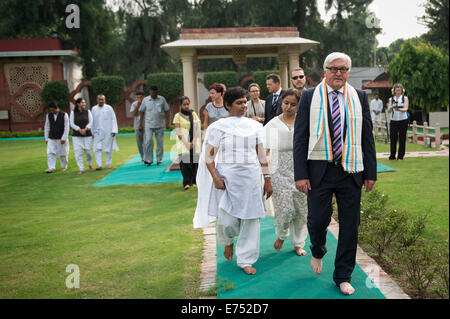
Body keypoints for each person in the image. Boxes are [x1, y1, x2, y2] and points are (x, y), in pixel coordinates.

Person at [293, 52, 377, 295]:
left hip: (351, 170)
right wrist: (300, 174)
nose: (338, 73)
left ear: (348, 72)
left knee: (350, 225)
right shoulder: (310, 96)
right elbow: (300, 136)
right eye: (333, 69)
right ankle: (318, 249)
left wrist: (370, 172)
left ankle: (343, 275)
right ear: (325, 71)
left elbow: (366, 136)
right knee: (317, 220)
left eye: (343, 69)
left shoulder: (358, 96)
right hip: (319, 170)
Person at [193, 87, 273, 275]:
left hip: (252, 179)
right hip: (228, 180)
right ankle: (228, 242)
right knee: (228, 220)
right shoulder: (218, 127)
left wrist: (267, 179)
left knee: (252, 220)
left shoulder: (255, 126)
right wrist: (215, 177)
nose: (244, 106)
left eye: (245, 102)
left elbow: (261, 155)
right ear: (228, 105)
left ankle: (246, 259)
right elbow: (209, 156)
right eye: (239, 102)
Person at [264, 89, 308, 256]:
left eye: (293, 104)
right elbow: (263, 149)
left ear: (298, 106)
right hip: (278, 169)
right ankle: (282, 235)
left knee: (301, 209)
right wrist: (265, 175)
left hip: (301, 169)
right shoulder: (273, 124)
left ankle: (298, 243)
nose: (288, 107)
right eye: (285, 103)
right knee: (285, 208)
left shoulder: (303, 122)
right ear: (281, 103)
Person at [173, 96, 201, 190]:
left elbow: (197, 128)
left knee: (194, 162)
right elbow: (178, 131)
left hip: (194, 141)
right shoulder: (177, 116)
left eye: (188, 104)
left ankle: (194, 181)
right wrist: (186, 143)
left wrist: (193, 141)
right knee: (185, 163)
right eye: (184, 104)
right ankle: (186, 182)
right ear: (180, 105)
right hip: (183, 142)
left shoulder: (193, 114)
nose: (186, 106)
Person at [139, 85, 170, 166]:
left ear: (157, 92)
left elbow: (167, 110)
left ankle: (159, 159)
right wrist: (140, 124)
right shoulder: (145, 100)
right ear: (150, 92)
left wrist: (167, 122)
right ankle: (148, 160)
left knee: (160, 143)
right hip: (148, 124)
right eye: (152, 92)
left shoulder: (162, 99)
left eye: (155, 92)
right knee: (148, 141)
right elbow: (142, 112)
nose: (154, 94)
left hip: (160, 124)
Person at [91, 94, 119, 170]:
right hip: (97, 132)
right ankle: (99, 165)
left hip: (108, 131)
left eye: (102, 99)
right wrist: (92, 132)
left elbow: (113, 119)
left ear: (104, 100)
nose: (101, 101)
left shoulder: (109, 108)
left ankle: (108, 164)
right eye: (99, 99)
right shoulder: (94, 109)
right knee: (97, 149)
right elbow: (92, 121)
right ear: (97, 100)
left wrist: (114, 130)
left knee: (108, 148)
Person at [44, 101, 69, 173]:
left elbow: (66, 127)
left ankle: (63, 166)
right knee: (50, 153)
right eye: (50, 110)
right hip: (51, 137)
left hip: (61, 138)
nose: (52, 111)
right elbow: (47, 127)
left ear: (57, 108)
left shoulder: (64, 115)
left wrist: (64, 137)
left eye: (53, 110)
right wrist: (46, 138)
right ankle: (51, 167)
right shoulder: (48, 115)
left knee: (63, 153)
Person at [70, 98, 93, 174]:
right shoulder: (73, 113)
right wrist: (79, 130)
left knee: (88, 152)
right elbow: (72, 124)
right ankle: (81, 168)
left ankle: (89, 163)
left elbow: (91, 122)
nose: (84, 104)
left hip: (87, 135)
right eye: (82, 102)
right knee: (78, 152)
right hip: (77, 136)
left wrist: (85, 129)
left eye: (84, 102)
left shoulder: (88, 112)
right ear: (78, 104)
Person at [387, 84, 409, 160]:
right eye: (397, 90)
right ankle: (392, 155)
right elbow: (389, 111)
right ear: (394, 91)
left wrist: (399, 109)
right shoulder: (391, 99)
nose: (398, 91)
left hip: (403, 120)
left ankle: (400, 156)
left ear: (402, 90)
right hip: (394, 120)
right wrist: (391, 107)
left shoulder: (405, 98)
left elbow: (406, 109)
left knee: (402, 138)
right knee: (393, 138)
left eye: (399, 90)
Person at [130, 91, 145, 161]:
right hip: (137, 126)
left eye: (140, 97)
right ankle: (143, 157)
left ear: (143, 97)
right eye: (137, 97)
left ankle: (147, 156)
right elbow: (133, 114)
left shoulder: (147, 103)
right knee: (139, 143)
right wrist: (138, 105)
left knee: (147, 142)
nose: (139, 99)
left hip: (147, 126)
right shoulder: (134, 104)